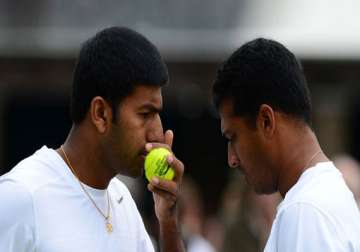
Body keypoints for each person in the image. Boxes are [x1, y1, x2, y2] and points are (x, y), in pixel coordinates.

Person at [0, 27, 185, 252]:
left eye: (158, 115)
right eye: (145, 114)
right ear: (100, 113)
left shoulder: (123, 202)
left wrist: (168, 222)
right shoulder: (21, 196)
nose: (157, 133)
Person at [212, 38, 360, 251]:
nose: (232, 159)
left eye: (233, 137)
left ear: (266, 121)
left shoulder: (306, 210)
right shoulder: (322, 198)